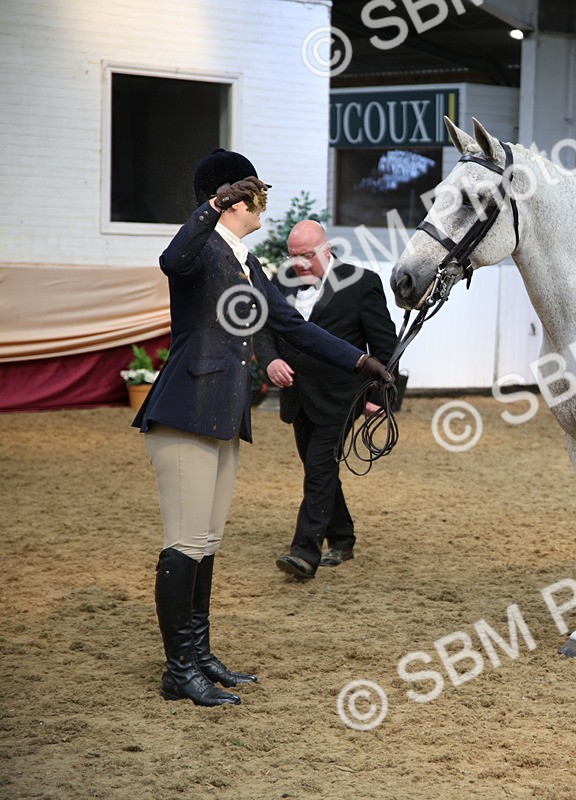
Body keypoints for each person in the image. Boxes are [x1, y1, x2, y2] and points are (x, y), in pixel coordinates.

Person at [134, 149, 393, 707]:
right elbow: (170, 259)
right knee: (183, 543)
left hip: (223, 414)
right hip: (183, 409)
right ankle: (179, 669)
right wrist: (212, 206)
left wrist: (363, 363)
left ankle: (198, 655)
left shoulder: (247, 263)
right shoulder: (200, 248)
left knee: (205, 543)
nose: (263, 206)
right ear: (234, 199)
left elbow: (294, 327)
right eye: (254, 196)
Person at [256, 221, 397, 580]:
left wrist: (377, 397)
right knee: (319, 469)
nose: (300, 264)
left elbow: (384, 346)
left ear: (327, 248)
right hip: (297, 396)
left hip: (342, 397)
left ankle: (304, 553)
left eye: (307, 256)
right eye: (293, 256)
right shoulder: (281, 280)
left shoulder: (362, 283)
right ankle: (343, 537)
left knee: (319, 467)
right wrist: (270, 360)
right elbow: (265, 327)